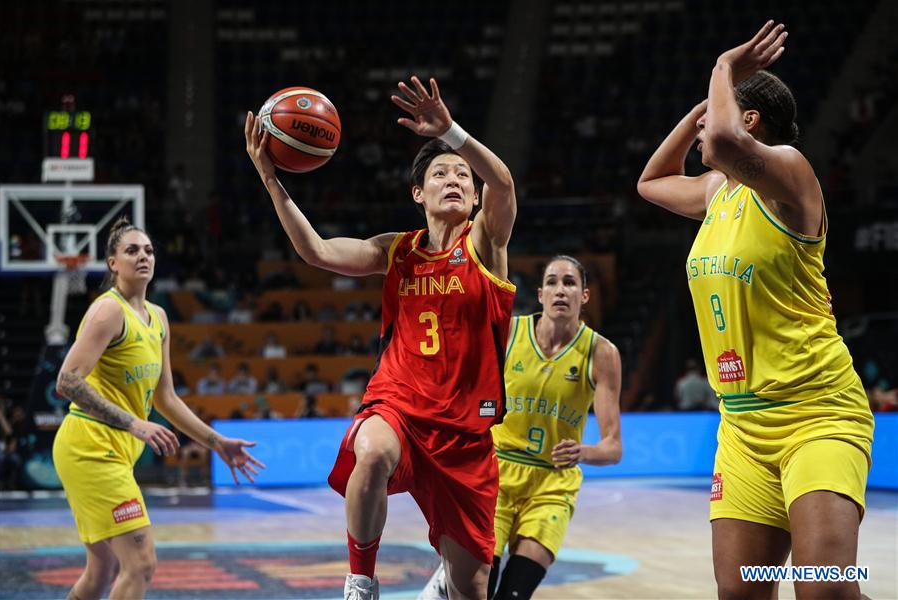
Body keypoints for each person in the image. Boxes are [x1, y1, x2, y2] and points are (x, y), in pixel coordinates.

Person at [246, 75, 517, 600]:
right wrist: (271, 178)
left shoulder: (486, 242)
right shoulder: (396, 250)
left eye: (463, 174)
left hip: (465, 436)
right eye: (441, 174)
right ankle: (360, 581)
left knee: (473, 586)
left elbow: (502, 183)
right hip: (401, 408)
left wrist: (452, 133)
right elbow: (318, 252)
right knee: (370, 449)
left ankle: (446, 582)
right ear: (419, 193)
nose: (456, 179)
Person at [637, 22, 874, 599]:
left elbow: (717, 144)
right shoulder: (719, 192)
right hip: (743, 423)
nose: (700, 132)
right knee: (743, 592)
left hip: (817, 411)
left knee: (824, 591)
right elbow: (651, 181)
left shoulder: (791, 173)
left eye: (714, 115)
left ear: (749, 121)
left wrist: (724, 66)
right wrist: (707, 99)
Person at [52, 217, 265, 600]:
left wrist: (217, 442)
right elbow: (67, 382)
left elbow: (165, 398)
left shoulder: (158, 318)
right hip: (90, 449)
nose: (143, 256)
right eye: (131, 250)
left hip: (114, 450)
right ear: (113, 263)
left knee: (102, 571)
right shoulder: (108, 312)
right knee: (140, 563)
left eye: (148, 250)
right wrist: (136, 424)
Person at [419, 256, 623, 600]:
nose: (561, 290)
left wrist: (584, 451)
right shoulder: (511, 332)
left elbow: (613, 447)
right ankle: (448, 580)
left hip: (552, 485)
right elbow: (470, 388)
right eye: (553, 282)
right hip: (495, 475)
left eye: (570, 283)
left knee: (514, 594)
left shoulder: (601, 353)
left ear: (584, 296)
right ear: (540, 294)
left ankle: (449, 578)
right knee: (479, 587)